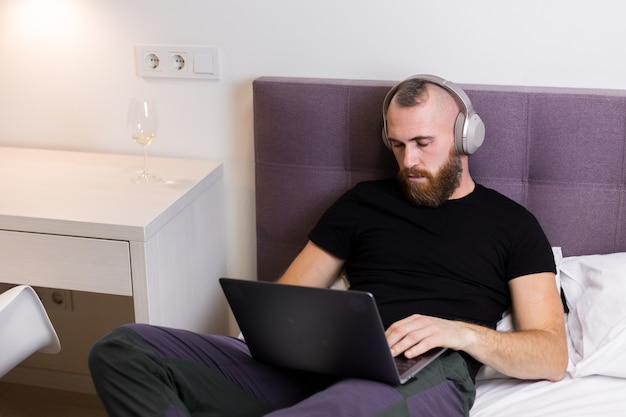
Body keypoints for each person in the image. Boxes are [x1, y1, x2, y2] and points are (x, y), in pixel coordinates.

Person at [89, 75, 568, 417]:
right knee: (123, 348)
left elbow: (550, 356)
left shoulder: (514, 225)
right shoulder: (362, 203)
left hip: (426, 374)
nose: (409, 161)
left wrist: (460, 334)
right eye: (398, 145)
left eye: (423, 142)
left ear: (466, 136)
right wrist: (289, 335)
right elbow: (290, 297)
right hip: (319, 363)